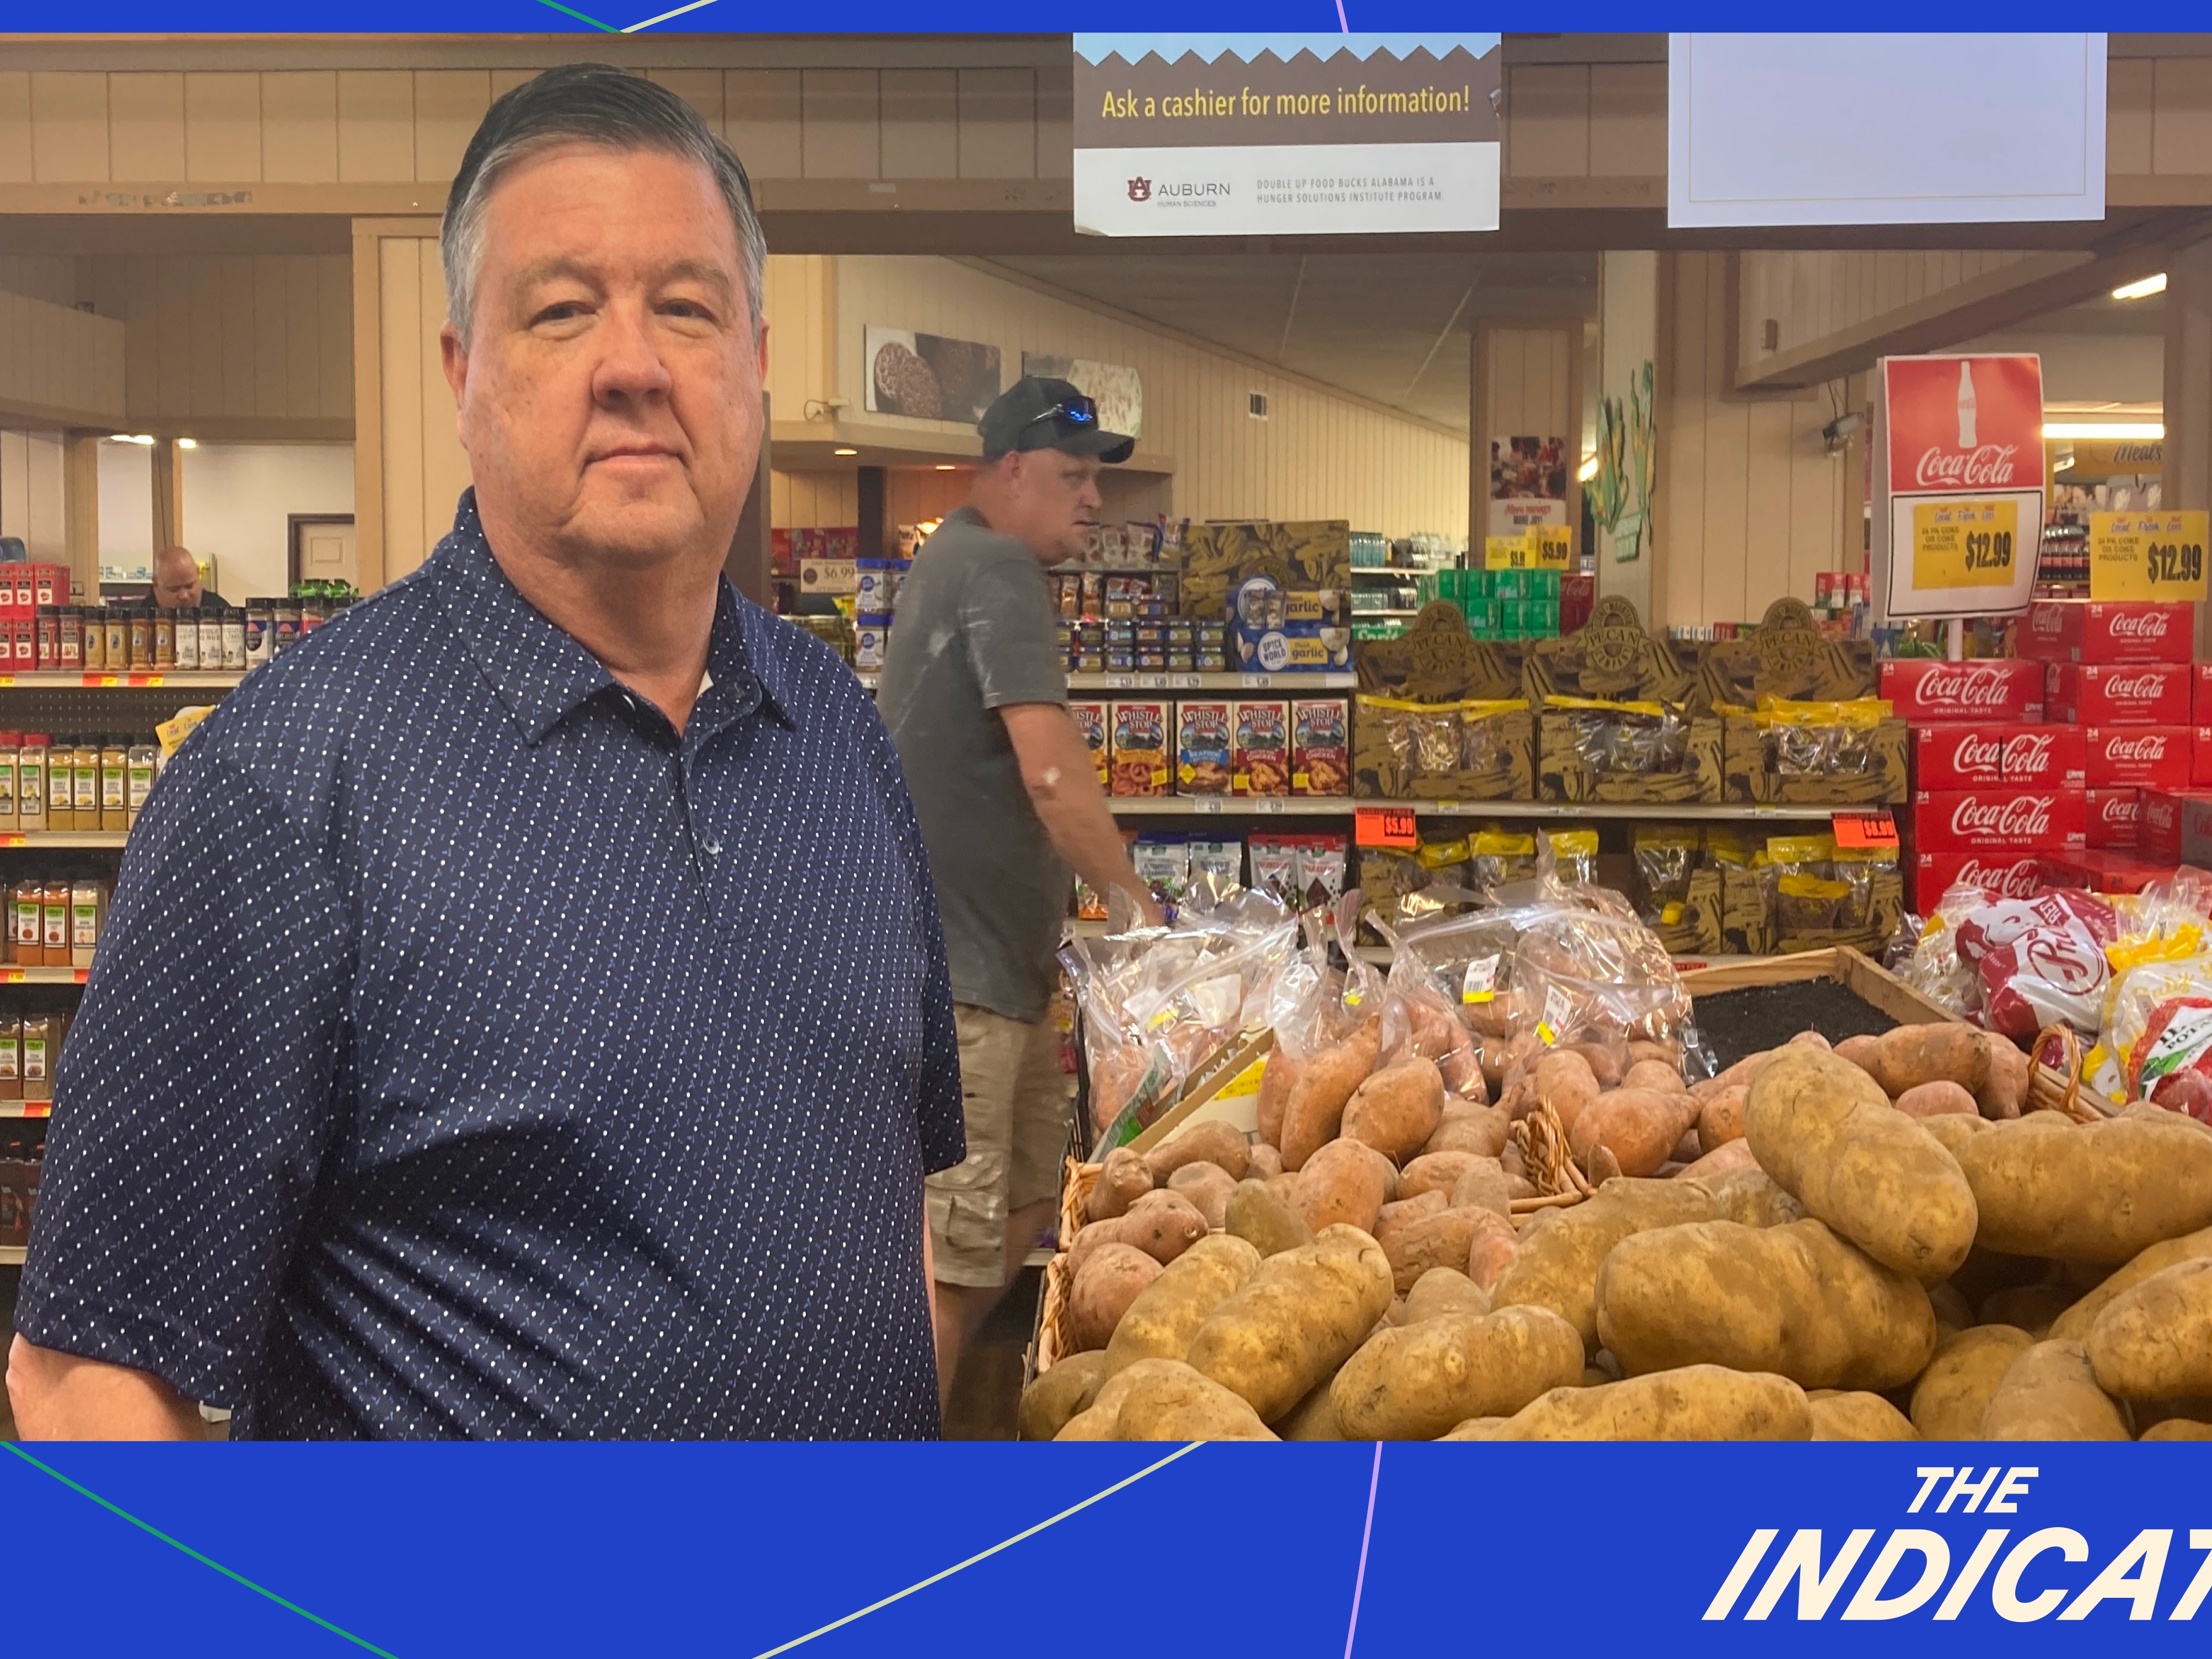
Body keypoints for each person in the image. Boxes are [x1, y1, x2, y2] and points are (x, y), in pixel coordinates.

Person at [7, 65, 964, 1440]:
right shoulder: (286, 784)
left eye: (686, 307)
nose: (633, 364)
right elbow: (86, 1371)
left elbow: (890, 1197)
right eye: (562, 309)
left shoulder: (839, 728)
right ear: (464, 374)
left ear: (753, 361)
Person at [878, 376, 1160, 1406]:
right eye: (1071, 474)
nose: (1093, 498)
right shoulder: (995, 566)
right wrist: (1137, 907)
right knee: (954, 1266)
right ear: (1008, 470)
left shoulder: (953, 556)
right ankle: (889, 1460)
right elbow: (1048, 769)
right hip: (964, 987)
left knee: (1031, 1204)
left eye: (1096, 477)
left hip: (996, 975)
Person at [148, 544, 228, 610]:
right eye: (174, 589)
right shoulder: (142, 618)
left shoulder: (220, 610)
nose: (184, 596)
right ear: (156, 584)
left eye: (190, 586)